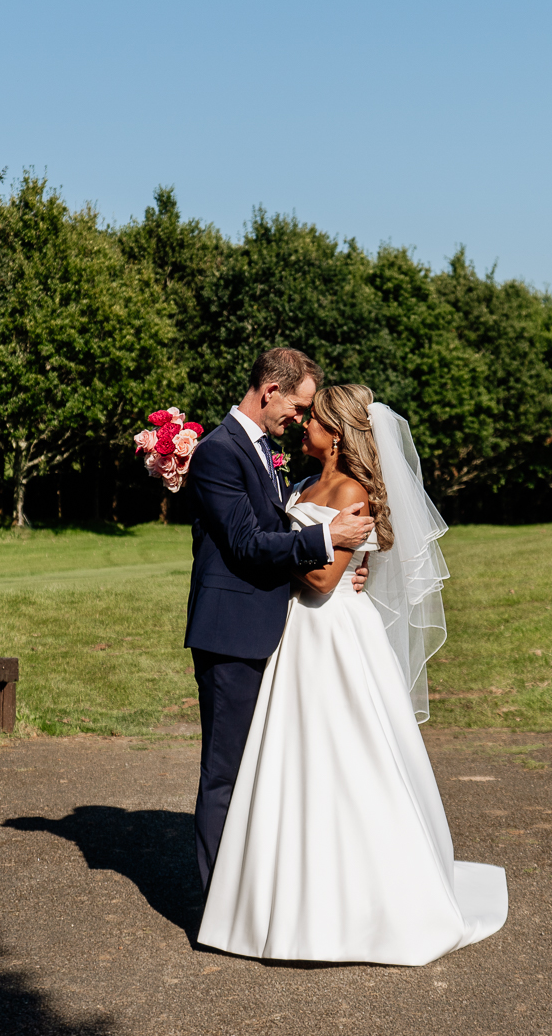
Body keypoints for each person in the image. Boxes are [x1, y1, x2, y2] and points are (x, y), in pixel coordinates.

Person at [195, 382, 508, 965]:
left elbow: (320, 580)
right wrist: (310, 542)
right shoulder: (305, 484)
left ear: (335, 433)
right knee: (294, 763)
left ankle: (359, 902)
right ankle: (282, 893)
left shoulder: (352, 489)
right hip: (298, 633)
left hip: (329, 631)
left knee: (343, 759)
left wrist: (318, 551)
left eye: (311, 418)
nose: (302, 423)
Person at [184, 348, 375, 890]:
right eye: (298, 406)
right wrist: (325, 542)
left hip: (276, 630)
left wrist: (342, 573)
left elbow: (274, 533)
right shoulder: (220, 451)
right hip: (231, 633)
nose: (299, 419)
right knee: (225, 773)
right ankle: (216, 904)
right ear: (270, 391)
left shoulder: (264, 452)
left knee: (259, 770)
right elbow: (245, 544)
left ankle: (254, 894)